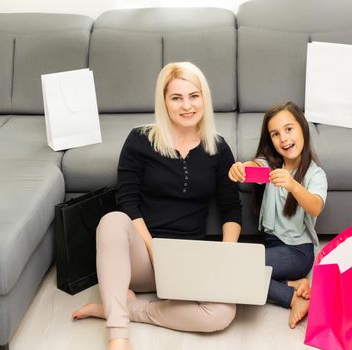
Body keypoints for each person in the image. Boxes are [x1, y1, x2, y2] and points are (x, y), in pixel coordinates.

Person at [72, 62, 242, 350]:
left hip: (187, 260)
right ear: (164, 102)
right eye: (177, 98)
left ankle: (125, 308)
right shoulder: (140, 140)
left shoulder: (218, 147)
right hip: (143, 257)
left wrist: (225, 256)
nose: (187, 106)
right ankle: (118, 335)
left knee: (222, 313)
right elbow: (127, 201)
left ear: (205, 98)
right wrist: (153, 249)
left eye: (194, 96)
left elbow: (231, 208)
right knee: (112, 220)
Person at [228, 101, 327, 329]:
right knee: (242, 267)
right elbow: (253, 166)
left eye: (289, 129)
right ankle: (295, 284)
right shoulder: (272, 166)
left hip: (298, 252)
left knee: (241, 269)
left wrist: (294, 185)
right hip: (274, 246)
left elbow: (315, 207)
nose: (283, 138)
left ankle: (293, 298)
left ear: (302, 128)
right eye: (275, 134)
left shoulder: (315, 174)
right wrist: (240, 167)